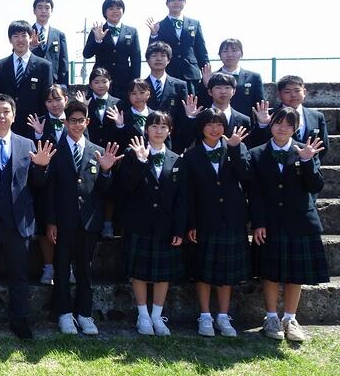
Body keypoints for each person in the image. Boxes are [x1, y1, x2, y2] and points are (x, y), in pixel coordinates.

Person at [0, 94, 56, 341]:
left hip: (19, 223)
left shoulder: (27, 144)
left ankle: (20, 320)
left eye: (6, 111)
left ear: (14, 116)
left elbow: (37, 185)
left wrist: (41, 166)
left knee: (19, 276)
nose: (1, 116)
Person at [250, 107, 328, 342]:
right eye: (278, 123)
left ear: (295, 129)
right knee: (270, 273)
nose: (282, 128)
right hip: (270, 222)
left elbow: (316, 186)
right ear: (271, 124)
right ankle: (271, 318)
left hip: (300, 221)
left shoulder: (306, 150)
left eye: (288, 125)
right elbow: (254, 193)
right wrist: (258, 222)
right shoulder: (256, 153)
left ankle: (290, 319)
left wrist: (306, 161)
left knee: (296, 274)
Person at [46, 100, 122, 336]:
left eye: (81, 120)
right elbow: (49, 190)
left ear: (87, 121)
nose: (77, 125)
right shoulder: (54, 150)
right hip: (63, 220)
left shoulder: (97, 151)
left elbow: (104, 190)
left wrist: (107, 171)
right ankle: (64, 312)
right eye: (72, 121)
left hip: (89, 221)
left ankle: (84, 313)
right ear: (65, 122)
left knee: (84, 269)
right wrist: (51, 221)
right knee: (61, 267)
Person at [183, 109, 252, 337]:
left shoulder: (236, 147)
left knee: (227, 272)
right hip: (205, 220)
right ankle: (205, 315)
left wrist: (234, 148)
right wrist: (191, 223)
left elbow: (246, 175)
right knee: (203, 270)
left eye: (219, 124)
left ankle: (223, 316)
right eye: (209, 124)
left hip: (232, 218)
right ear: (201, 127)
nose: (215, 129)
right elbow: (188, 194)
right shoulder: (191, 155)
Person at [120, 112, 187, 336]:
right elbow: (125, 187)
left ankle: (157, 316)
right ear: (146, 129)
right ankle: (143, 316)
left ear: (170, 131)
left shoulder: (177, 159)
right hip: (138, 223)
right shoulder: (131, 154)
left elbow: (181, 199)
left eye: (163, 127)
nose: (158, 131)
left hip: (165, 226)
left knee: (163, 274)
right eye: (154, 126)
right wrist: (140, 162)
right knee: (138, 272)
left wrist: (179, 229)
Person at [26, 84, 70, 286]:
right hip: (45, 181)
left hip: (69, 182)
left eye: (58, 99)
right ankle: (48, 267)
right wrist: (38, 135)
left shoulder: (74, 120)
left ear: (66, 99)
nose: (54, 104)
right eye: (50, 101)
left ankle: (67, 267)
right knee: (46, 227)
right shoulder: (39, 123)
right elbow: (32, 152)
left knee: (69, 226)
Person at [0, 20, 53, 140]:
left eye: (24, 35)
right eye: (15, 36)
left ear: (31, 37)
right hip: (6, 126)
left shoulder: (44, 66)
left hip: (34, 126)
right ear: (10, 40)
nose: (20, 40)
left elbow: (47, 99)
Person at [146, 0, 209, 93]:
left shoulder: (195, 23)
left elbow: (201, 50)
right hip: (170, 72)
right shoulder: (159, 25)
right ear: (167, 3)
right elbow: (152, 50)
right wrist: (154, 34)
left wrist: (207, 72)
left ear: (185, 2)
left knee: (192, 101)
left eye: (180, 0)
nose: (176, 2)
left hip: (191, 73)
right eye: (172, 0)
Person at [252, 75, 330, 159]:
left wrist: (309, 161)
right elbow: (258, 144)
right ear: (279, 94)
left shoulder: (317, 116)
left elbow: (323, 146)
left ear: (304, 92)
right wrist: (263, 125)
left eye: (297, 90)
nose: (293, 95)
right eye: (287, 92)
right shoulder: (269, 116)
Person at [84, 68, 121, 239]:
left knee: (111, 189)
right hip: (91, 151)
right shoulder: (85, 101)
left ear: (110, 82)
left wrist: (120, 125)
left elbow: (123, 131)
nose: (100, 85)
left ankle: (108, 223)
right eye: (96, 82)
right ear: (90, 84)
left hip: (111, 151)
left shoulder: (119, 103)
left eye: (104, 81)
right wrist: (84, 107)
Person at [83, 0, 141, 101]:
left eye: (118, 8)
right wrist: (97, 40)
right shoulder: (97, 30)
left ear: (123, 11)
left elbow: (136, 59)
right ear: (105, 12)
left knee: (123, 108)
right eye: (111, 8)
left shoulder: (132, 31)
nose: (115, 11)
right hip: (101, 81)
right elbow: (86, 54)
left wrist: (135, 81)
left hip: (124, 80)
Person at [179, 73, 251, 149]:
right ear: (210, 92)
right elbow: (185, 142)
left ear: (234, 91)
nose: (223, 91)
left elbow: (248, 148)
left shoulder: (244, 120)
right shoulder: (200, 116)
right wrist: (191, 117)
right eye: (218, 88)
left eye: (227, 88)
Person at [200, 38, 263, 118]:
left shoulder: (254, 77)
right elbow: (202, 104)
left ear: (241, 54)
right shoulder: (209, 77)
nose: (229, 54)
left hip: (244, 123)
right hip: (217, 123)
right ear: (219, 55)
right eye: (225, 51)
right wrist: (207, 85)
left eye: (234, 50)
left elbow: (260, 106)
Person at [30, 0, 69, 86]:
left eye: (47, 8)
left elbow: (64, 62)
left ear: (51, 11)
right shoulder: (26, 33)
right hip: (32, 80)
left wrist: (63, 85)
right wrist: (30, 47)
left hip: (53, 82)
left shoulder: (59, 35)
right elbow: (17, 54)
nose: (43, 11)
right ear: (34, 11)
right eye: (40, 7)